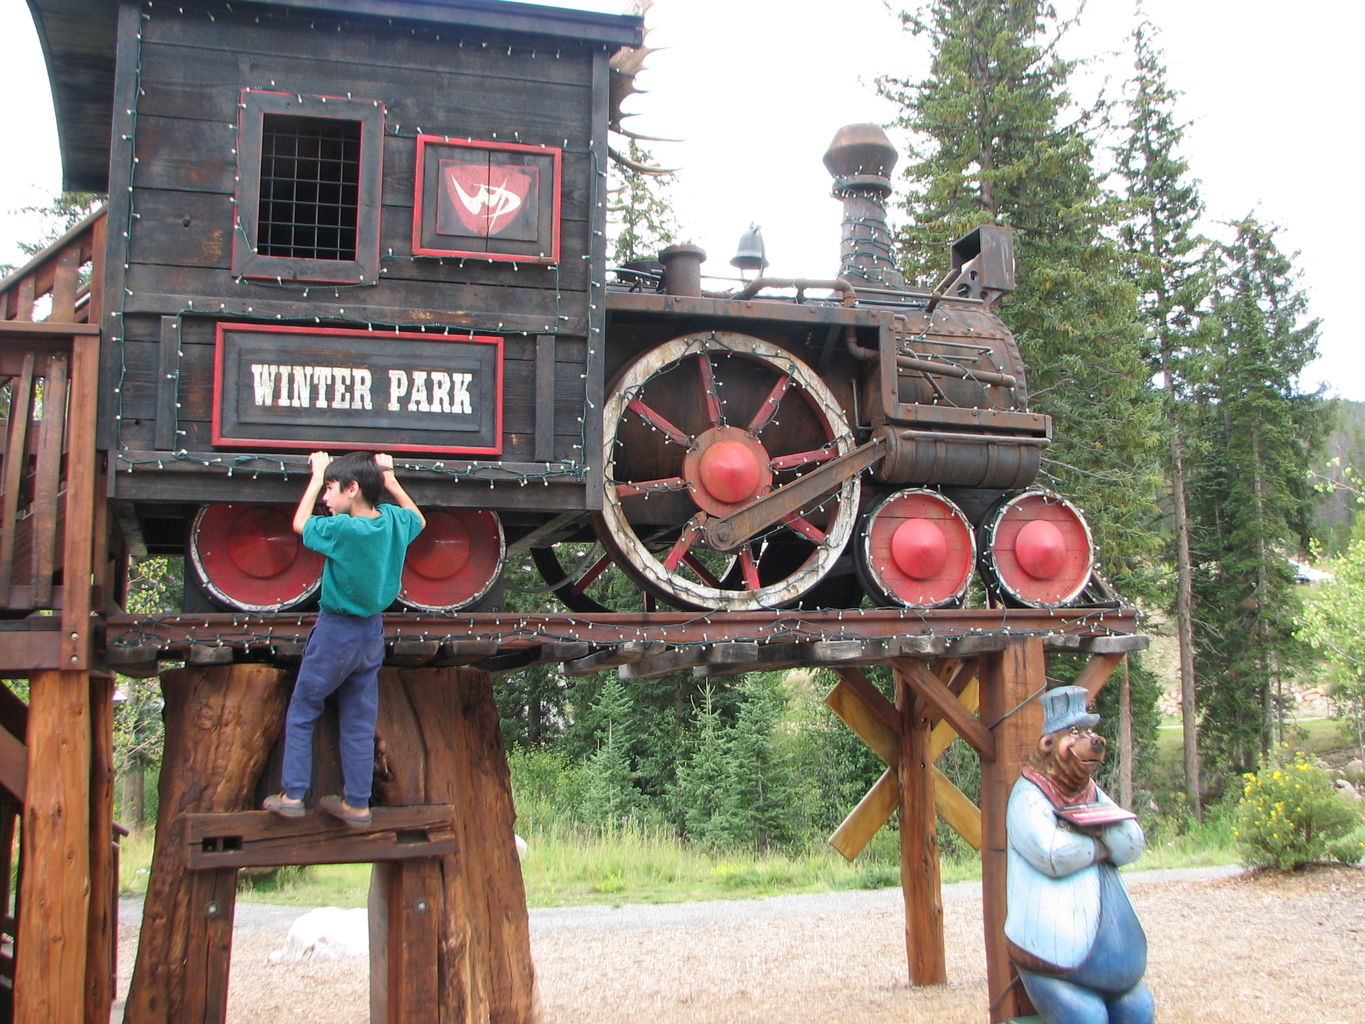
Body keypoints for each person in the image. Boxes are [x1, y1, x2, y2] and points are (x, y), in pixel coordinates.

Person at [264, 451, 425, 828]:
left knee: (304, 710)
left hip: (336, 632)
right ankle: (356, 804)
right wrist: (390, 480)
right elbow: (418, 519)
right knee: (358, 718)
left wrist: (317, 474)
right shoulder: (391, 521)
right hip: (372, 632)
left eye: (331, 490)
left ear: (352, 489)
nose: (325, 497)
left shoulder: (344, 530)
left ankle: (292, 796)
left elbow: (301, 524)